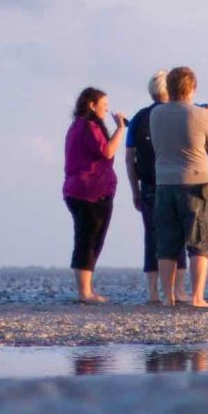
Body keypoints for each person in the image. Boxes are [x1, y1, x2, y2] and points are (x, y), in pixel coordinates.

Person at [151, 65, 208, 307]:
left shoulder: (156, 114)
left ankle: (168, 296)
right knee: (199, 242)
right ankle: (197, 296)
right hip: (194, 184)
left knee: (167, 243)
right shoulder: (200, 115)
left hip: (164, 183)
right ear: (192, 88)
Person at [126, 72, 188, 303]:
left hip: (149, 184)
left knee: (152, 237)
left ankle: (153, 292)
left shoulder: (138, 118)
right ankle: (178, 290)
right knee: (178, 236)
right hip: (174, 181)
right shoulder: (179, 114)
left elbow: (129, 158)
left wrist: (134, 190)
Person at [63, 87, 126, 304]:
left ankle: (87, 289)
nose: (106, 109)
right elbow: (107, 151)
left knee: (92, 239)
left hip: (89, 191)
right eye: (104, 105)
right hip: (87, 192)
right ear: (92, 104)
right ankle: (84, 292)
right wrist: (120, 129)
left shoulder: (79, 126)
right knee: (87, 239)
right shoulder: (87, 126)